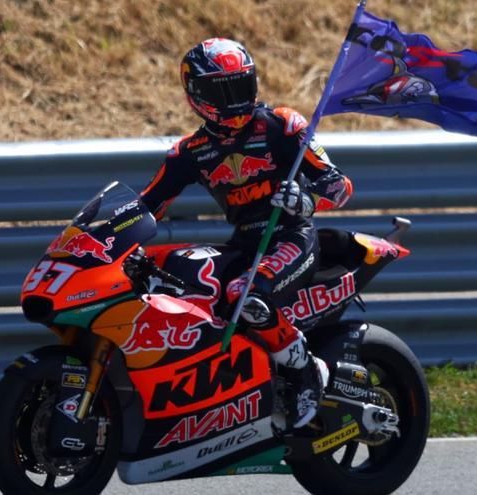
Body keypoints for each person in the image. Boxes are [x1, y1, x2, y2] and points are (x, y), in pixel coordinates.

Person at [140, 38, 352, 428]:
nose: (237, 98)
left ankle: (307, 372)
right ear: (198, 94)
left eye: (242, 84)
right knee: (187, 285)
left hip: (291, 236)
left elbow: (338, 186)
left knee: (243, 296)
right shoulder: (190, 151)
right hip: (246, 244)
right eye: (224, 89)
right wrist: (111, 240)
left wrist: (305, 200)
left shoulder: (283, 125)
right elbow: (146, 205)